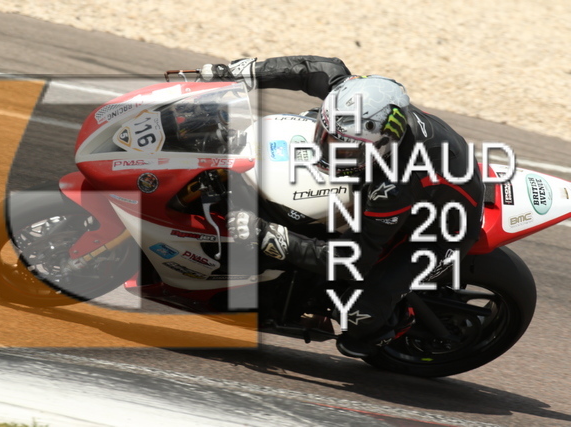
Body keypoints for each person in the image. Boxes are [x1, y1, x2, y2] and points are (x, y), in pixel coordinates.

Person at [201, 56, 485, 357]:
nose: (328, 151)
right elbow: (311, 70)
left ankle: (395, 322)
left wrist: (270, 235)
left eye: (344, 149)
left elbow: (352, 260)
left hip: (440, 230)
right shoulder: (357, 99)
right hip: (413, 177)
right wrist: (238, 73)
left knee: (359, 316)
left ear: (382, 145)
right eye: (327, 138)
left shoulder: (394, 187)